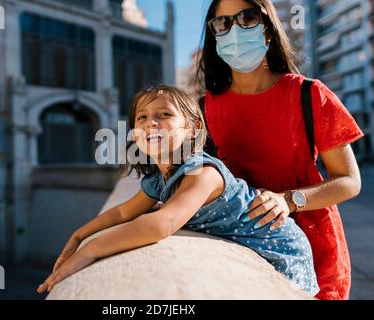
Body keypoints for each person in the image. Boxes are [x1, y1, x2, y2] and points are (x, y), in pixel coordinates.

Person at [37, 85, 319, 296]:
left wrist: (93, 249)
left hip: (281, 249)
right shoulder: (160, 178)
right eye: (142, 118)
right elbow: (124, 211)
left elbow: (161, 224)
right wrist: (80, 235)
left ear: (194, 129)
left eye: (163, 115)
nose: (151, 123)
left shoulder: (203, 173)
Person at [199, 0, 363, 299]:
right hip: (236, 245)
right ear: (214, 35)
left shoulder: (309, 94)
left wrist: (290, 200)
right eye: (222, 23)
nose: (234, 30)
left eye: (247, 18)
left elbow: (350, 181)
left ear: (269, 29)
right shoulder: (202, 109)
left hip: (315, 248)